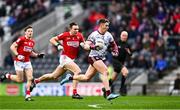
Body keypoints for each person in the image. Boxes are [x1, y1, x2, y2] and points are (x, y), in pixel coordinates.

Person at [60, 18, 120, 100]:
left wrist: (115, 51)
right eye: (106, 25)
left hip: (100, 58)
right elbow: (86, 46)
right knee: (105, 71)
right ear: (101, 25)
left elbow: (114, 44)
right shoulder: (94, 35)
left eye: (108, 25)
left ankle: (70, 77)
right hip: (93, 57)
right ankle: (108, 93)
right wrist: (94, 47)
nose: (108, 27)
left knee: (86, 78)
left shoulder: (109, 35)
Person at [31, 22, 89, 99]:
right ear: (70, 29)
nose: (76, 30)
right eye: (75, 29)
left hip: (71, 60)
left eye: (77, 29)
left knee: (53, 76)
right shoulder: (65, 35)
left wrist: (87, 46)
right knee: (77, 71)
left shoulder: (79, 35)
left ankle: (36, 81)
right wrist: (58, 45)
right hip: (64, 58)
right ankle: (74, 93)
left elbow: (85, 45)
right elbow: (52, 39)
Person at [0, 26, 44, 101]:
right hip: (18, 62)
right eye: (29, 31)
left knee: (30, 78)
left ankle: (27, 96)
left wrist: (37, 55)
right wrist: (17, 54)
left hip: (27, 62)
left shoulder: (32, 42)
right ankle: (7, 75)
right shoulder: (21, 39)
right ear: (25, 32)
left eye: (31, 31)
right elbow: (12, 47)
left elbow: (30, 52)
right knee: (20, 79)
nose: (30, 32)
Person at [103, 31, 132, 96]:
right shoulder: (116, 42)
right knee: (125, 72)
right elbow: (108, 48)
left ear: (127, 37)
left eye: (125, 36)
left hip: (121, 62)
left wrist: (129, 52)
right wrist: (112, 52)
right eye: (123, 35)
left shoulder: (127, 45)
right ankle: (121, 89)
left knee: (113, 78)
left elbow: (130, 54)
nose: (124, 37)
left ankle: (105, 89)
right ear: (120, 36)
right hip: (115, 61)